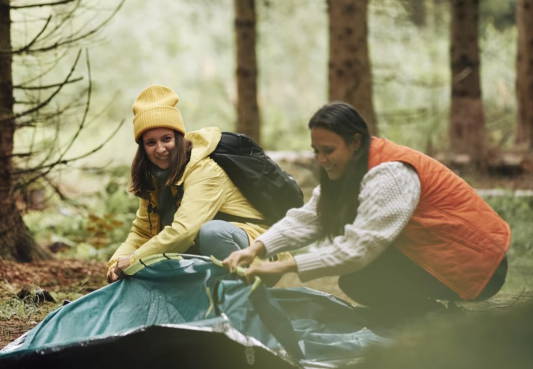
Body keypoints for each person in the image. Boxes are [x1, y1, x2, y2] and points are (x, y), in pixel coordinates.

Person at [223, 102, 510, 322]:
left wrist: (281, 266)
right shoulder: (348, 169)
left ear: (355, 143)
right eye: (316, 150)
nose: (321, 160)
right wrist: (257, 248)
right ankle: (431, 319)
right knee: (362, 278)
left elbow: (357, 250)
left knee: (361, 278)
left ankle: (436, 324)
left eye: (329, 150)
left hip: (479, 264)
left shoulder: (390, 174)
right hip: (434, 252)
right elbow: (310, 217)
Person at [107, 85, 270, 283]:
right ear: (143, 147)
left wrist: (134, 260)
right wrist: (116, 263)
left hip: (260, 254)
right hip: (205, 254)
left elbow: (184, 232)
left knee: (212, 232)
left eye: (166, 139)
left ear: (178, 137)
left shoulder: (204, 170)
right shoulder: (155, 178)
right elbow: (143, 232)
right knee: (162, 252)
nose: (160, 149)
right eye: (151, 142)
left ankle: (242, 294)